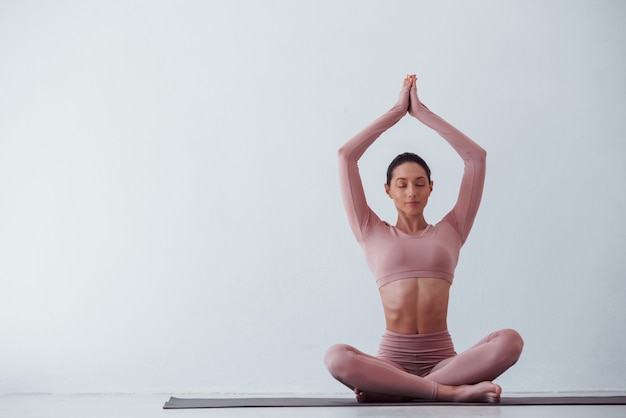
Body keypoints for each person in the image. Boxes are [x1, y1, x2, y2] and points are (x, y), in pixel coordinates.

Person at [324, 74, 523, 403]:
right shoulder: (369, 230)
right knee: (336, 357)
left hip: (443, 360)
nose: (411, 191)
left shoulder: (453, 228)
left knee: (510, 341)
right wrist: (395, 111)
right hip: (390, 360)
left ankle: (397, 389)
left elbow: (476, 157)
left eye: (419, 182)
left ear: (431, 187)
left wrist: (421, 113)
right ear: (387, 190)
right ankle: (447, 392)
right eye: (401, 184)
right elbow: (347, 156)